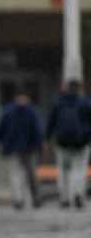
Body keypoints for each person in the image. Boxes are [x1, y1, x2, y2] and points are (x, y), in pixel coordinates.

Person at [0, 92, 44, 209]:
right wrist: (39, 146)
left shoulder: (7, 111)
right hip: (29, 149)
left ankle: (18, 199)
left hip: (13, 148)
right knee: (31, 174)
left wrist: (3, 143)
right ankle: (35, 198)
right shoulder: (32, 112)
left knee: (15, 174)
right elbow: (38, 131)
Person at [47, 80, 91, 209]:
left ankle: (64, 197)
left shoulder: (58, 102)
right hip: (81, 142)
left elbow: (51, 122)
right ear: (80, 89)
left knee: (62, 171)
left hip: (62, 142)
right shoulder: (86, 102)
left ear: (66, 88)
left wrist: (47, 138)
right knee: (79, 170)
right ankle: (77, 194)